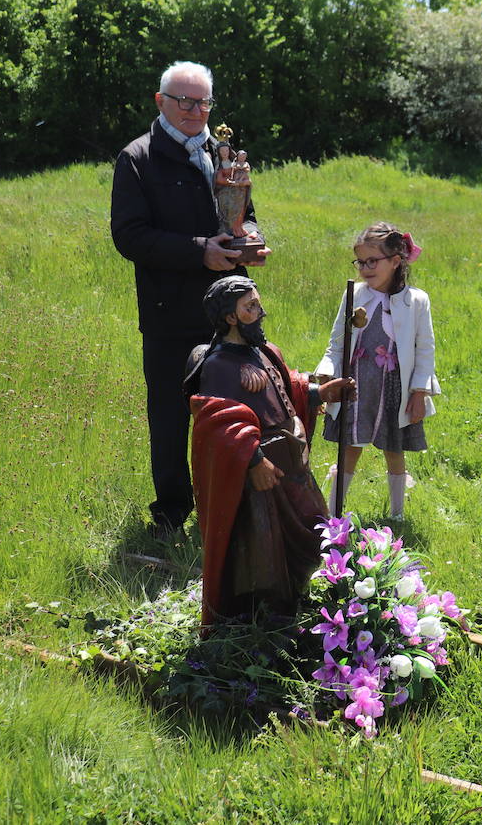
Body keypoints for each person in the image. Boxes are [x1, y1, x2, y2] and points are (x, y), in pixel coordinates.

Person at [111, 61, 268, 538]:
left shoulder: (223, 154)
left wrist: (249, 239)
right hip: (170, 313)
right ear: (161, 102)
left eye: (202, 102)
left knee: (239, 403)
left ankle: (234, 505)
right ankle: (172, 516)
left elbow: (244, 212)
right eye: (184, 100)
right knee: (171, 412)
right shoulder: (137, 159)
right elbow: (130, 237)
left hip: (230, 310)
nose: (194, 110)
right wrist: (201, 253)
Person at [185, 276, 352, 629]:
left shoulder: (263, 350)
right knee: (267, 555)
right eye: (251, 307)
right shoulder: (218, 366)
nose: (260, 313)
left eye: (258, 304)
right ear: (230, 317)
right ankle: (271, 623)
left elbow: (285, 389)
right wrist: (254, 459)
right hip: (263, 479)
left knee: (313, 534)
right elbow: (219, 423)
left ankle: (309, 598)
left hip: (295, 470)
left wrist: (321, 393)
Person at [317, 223, 440, 522]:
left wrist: (419, 392)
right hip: (355, 386)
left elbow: (425, 350)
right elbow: (337, 342)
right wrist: (326, 377)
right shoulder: (354, 295)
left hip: (393, 390)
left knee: (393, 450)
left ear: (396, 261)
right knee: (350, 448)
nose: (366, 268)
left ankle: (397, 515)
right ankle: (334, 515)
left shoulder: (417, 302)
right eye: (361, 261)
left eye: (373, 261)